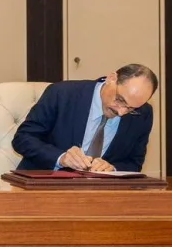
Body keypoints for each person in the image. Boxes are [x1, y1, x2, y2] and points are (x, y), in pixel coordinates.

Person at [13, 63, 157, 173]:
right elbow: (23, 138)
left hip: (100, 196)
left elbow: (134, 163)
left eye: (131, 109)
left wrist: (112, 168)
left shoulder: (143, 114)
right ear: (111, 78)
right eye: (120, 100)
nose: (121, 112)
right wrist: (61, 158)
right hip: (44, 188)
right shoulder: (62, 94)